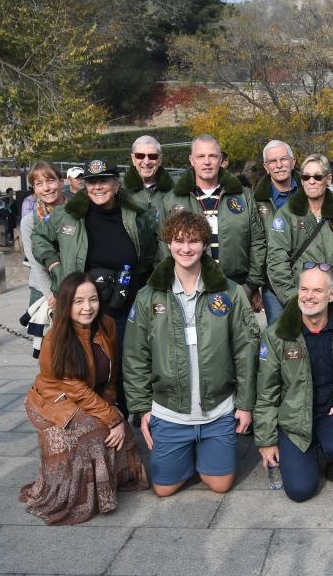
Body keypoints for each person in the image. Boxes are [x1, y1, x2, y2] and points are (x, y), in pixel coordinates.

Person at [122, 210, 260, 497]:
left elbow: (245, 350)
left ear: (205, 244)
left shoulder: (230, 293)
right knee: (163, 488)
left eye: (194, 241)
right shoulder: (149, 296)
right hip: (170, 411)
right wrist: (141, 409)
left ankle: (206, 451)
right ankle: (184, 451)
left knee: (220, 486)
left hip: (217, 411)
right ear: (168, 244)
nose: (186, 248)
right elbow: (135, 355)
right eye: (178, 241)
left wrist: (245, 405)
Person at [32, 158, 157, 416]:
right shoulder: (69, 215)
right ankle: (94, 415)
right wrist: (55, 265)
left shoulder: (136, 216)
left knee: (126, 361)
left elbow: (151, 252)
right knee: (88, 362)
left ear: (116, 183)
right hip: (86, 306)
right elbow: (39, 237)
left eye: (103, 181)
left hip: (126, 302)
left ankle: (127, 412)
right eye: (91, 182)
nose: (97, 187)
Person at [21, 273, 148, 524]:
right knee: (96, 433)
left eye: (92, 299)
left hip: (90, 397)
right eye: (78, 301)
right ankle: (80, 495)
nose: (87, 307)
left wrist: (112, 406)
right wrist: (112, 418)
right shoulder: (54, 339)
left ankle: (113, 480)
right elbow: (75, 389)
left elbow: (111, 375)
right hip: (54, 402)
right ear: (66, 304)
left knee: (119, 434)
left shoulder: (107, 325)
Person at [254, 263, 333, 502]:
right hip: (295, 420)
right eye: (304, 289)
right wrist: (266, 440)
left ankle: (331, 455)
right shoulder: (276, 335)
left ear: (332, 295)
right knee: (300, 491)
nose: (308, 296)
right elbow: (266, 393)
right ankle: (306, 449)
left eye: (317, 290)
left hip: (332, 411)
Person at [163, 134, 265, 313]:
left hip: (237, 286)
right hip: (191, 290)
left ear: (221, 160)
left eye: (212, 156)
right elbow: (163, 246)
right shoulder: (172, 200)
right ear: (192, 160)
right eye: (201, 156)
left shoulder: (242, 196)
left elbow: (257, 241)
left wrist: (251, 285)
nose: (207, 162)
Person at [266, 154, 333, 312]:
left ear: (329, 179)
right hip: (301, 303)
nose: (311, 181)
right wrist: (293, 300)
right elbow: (276, 261)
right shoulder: (287, 214)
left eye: (318, 177)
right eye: (306, 177)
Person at [254, 140, 300, 323]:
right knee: (281, 342)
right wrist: (254, 285)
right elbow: (254, 244)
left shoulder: (311, 191)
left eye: (283, 159)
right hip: (273, 285)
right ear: (266, 167)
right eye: (273, 161)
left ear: (293, 161)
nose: (279, 165)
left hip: (310, 278)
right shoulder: (256, 202)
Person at [20, 161, 67, 308]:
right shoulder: (30, 222)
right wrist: (50, 295)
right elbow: (36, 263)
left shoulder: (78, 212)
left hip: (76, 286)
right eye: (39, 183)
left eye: (50, 181)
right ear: (34, 188)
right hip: (44, 291)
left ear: (61, 182)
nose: (46, 188)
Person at [123, 135, 174, 215]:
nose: (146, 162)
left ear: (160, 159)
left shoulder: (175, 190)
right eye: (140, 156)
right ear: (133, 159)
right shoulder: (119, 190)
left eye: (152, 156)